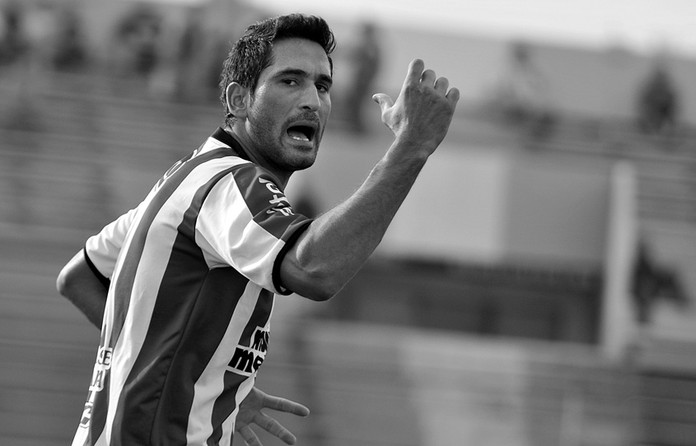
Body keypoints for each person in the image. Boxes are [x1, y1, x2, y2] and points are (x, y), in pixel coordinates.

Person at [56, 13, 459, 446]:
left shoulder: (190, 179)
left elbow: (80, 277)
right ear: (240, 99)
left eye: (322, 86)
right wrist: (411, 147)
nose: (311, 101)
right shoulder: (231, 183)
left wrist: (199, 373)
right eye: (290, 81)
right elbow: (316, 270)